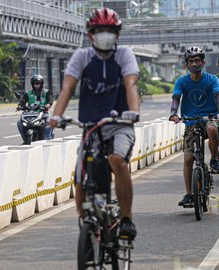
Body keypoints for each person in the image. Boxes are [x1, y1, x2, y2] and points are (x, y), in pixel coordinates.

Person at [48, 7, 140, 240]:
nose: (104, 35)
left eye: (109, 30)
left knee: (117, 161)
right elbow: (67, 88)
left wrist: (133, 112)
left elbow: (131, 85)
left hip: (120, 123)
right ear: (91, 34)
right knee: (81, 177)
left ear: (117, 34)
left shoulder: (124, 55)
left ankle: (127, 218)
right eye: (100, 30)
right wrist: (56, 116)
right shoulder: (82, 57)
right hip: (91, 126)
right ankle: (87, 226)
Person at [169, 46, 219, 207]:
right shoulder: (182, 81)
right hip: (191, 121)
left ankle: (214, 159)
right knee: (188, 159)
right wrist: (173, 113)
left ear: (203, 62)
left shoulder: (212, 79)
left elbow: (217, 96)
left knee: (212, 129)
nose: (194, 64)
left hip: (210, 117)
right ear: (186, 64)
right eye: (191, 61)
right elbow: (176, 98)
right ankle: (188, 194)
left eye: (197, 61)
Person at [16, 74, 54, 142]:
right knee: (19, 123)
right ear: (32, 84)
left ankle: (48, 139)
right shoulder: (28, 93)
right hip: (30, 114)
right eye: (35, 83)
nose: (37, 85)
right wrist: (19, 106)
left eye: (38, 83)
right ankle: (25, 140)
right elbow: (22, 101)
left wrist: (48, 105)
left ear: (41, 84)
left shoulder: (46, 92)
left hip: (43, 113)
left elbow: (50, 100)